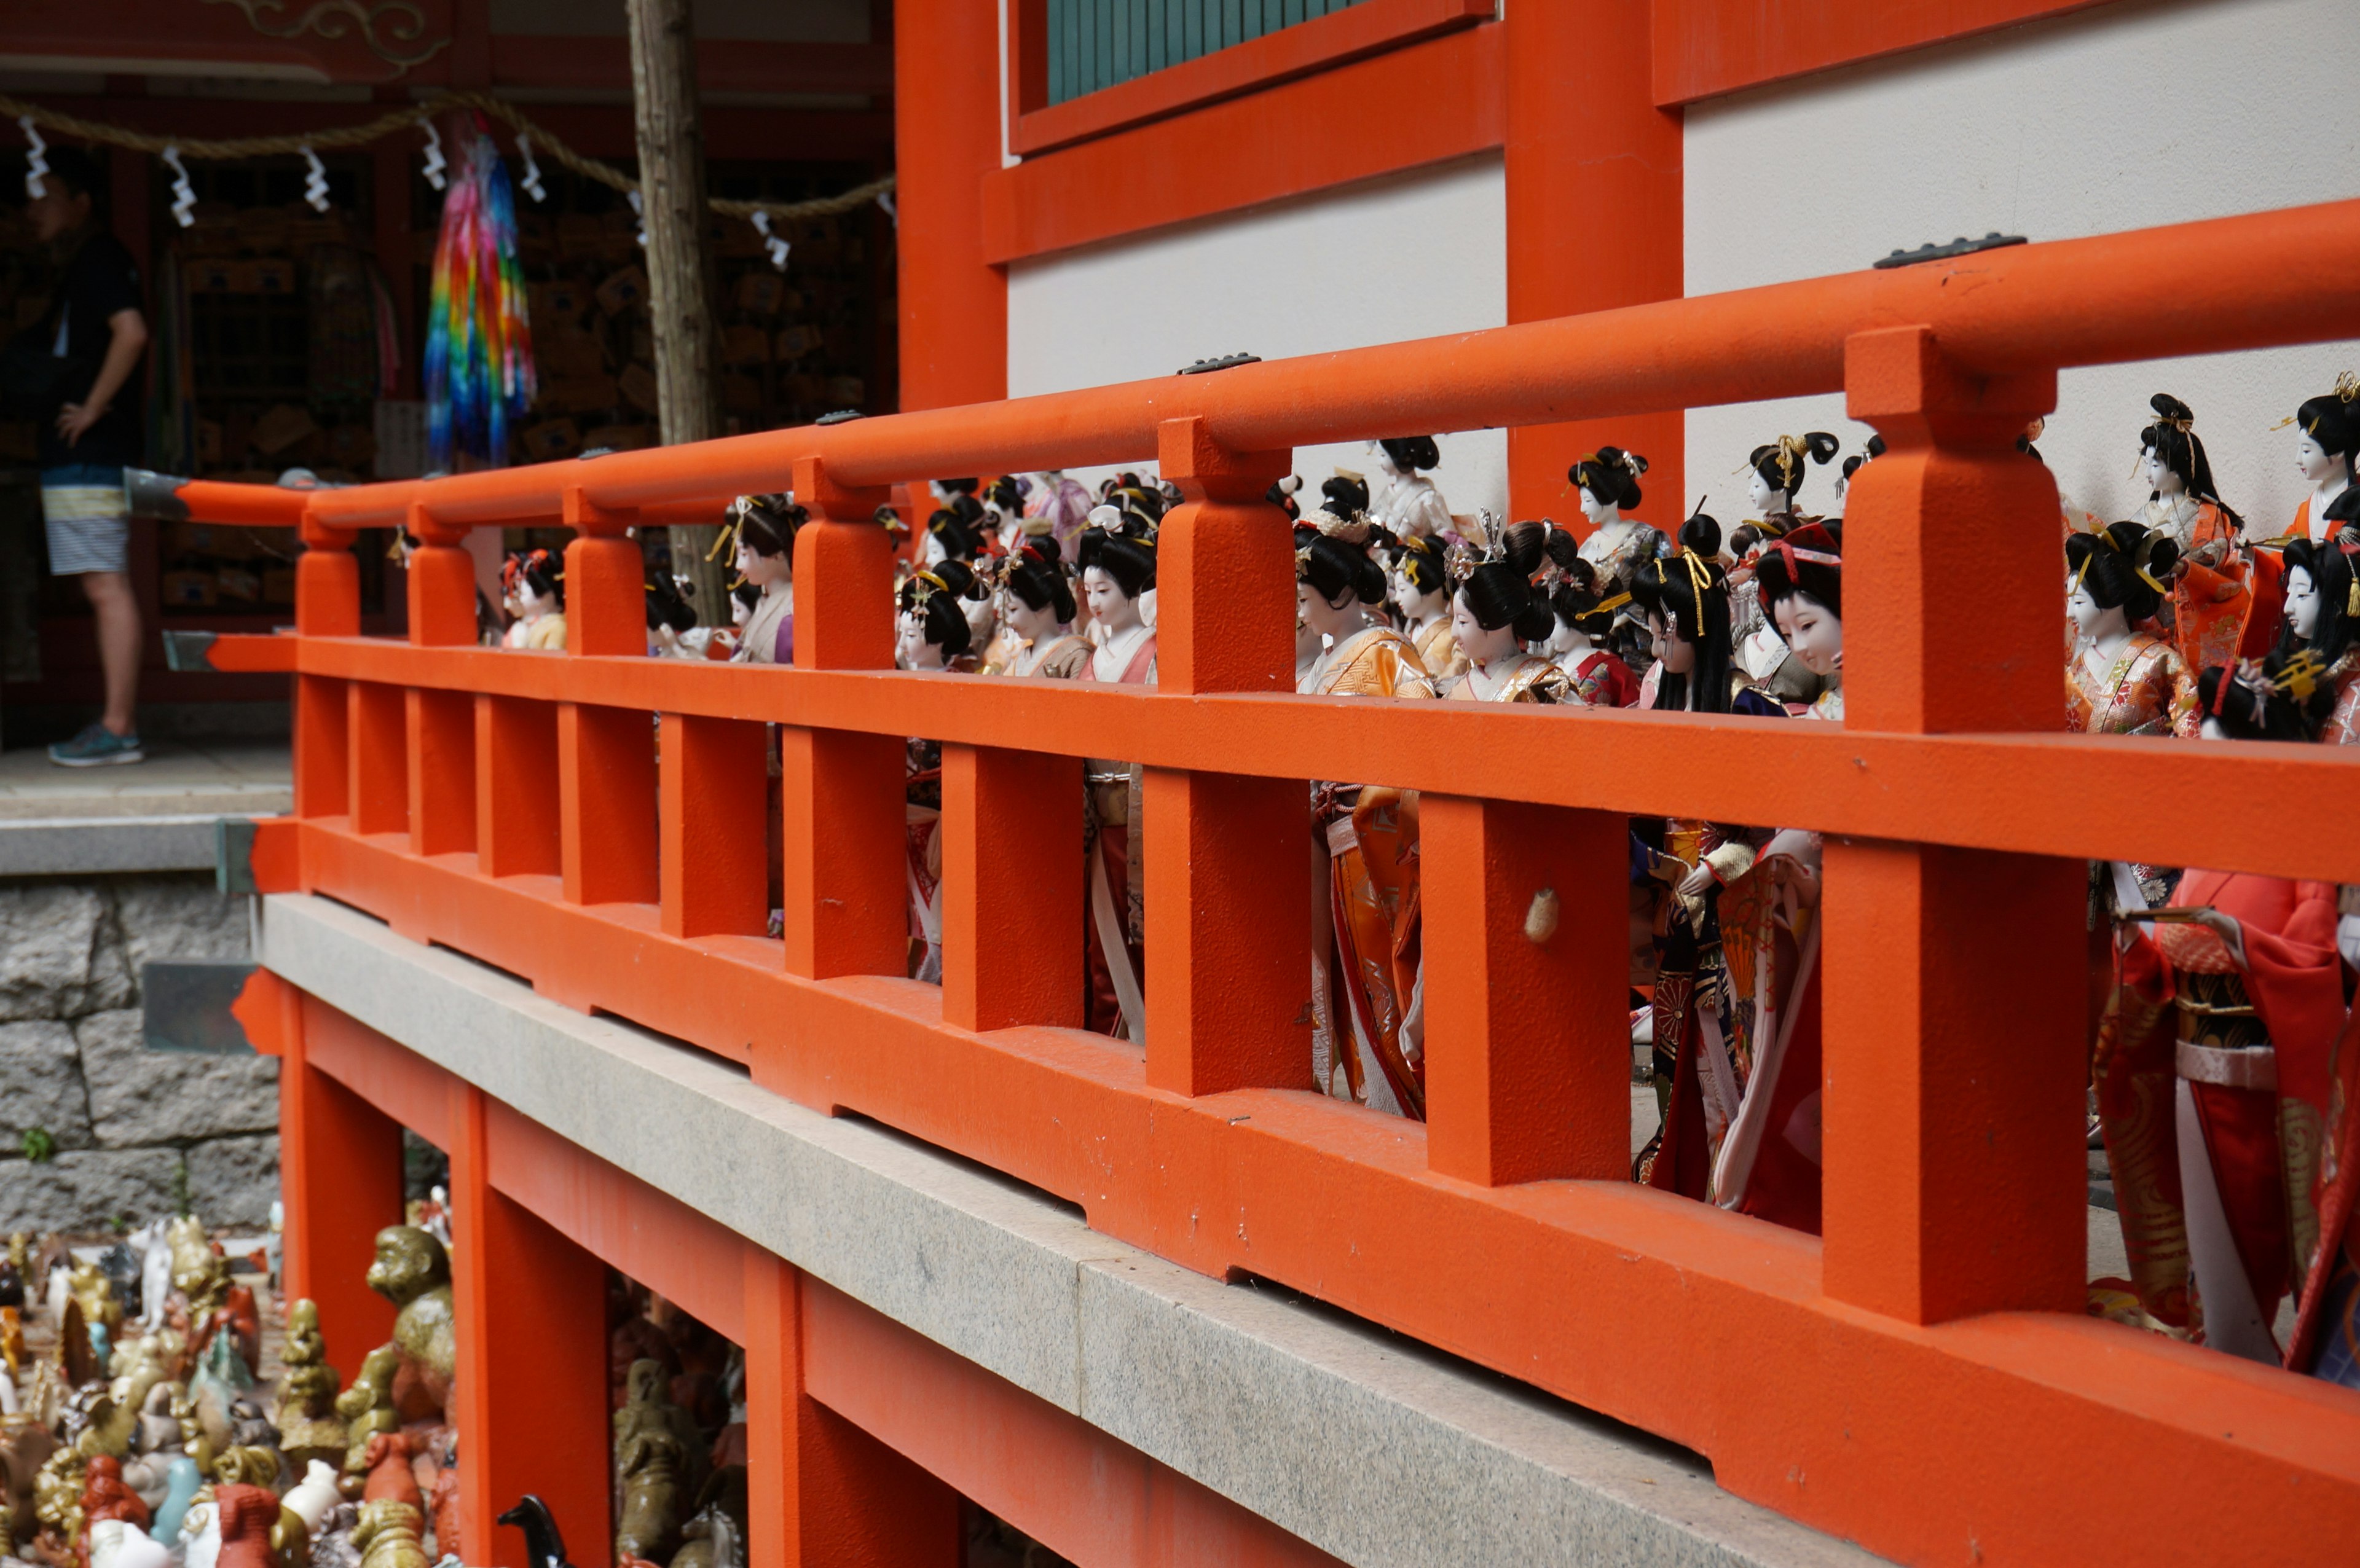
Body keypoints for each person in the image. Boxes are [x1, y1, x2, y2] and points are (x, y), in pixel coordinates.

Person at [24, 147, 151, 765]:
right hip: (89, 448)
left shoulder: (97, 257)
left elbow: (132, 330)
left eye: (46, 195)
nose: (32, 209)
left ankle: (119, 725)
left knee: (105, 584)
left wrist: (94, 405)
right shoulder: (89, 260)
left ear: (81, 203)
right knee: (102, 581)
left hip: (90, 447)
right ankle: (116, 721)